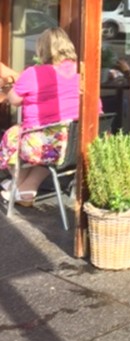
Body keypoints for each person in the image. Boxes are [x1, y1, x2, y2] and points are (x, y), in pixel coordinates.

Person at [0, 27, 82, 207]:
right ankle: (23, 189)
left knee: (13, 135)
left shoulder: (34, 73)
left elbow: (14, 99)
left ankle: (16, 186)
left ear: (43, 49)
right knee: (48, 142)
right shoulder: (80, 72)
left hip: (44, 144)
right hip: (73, 143)